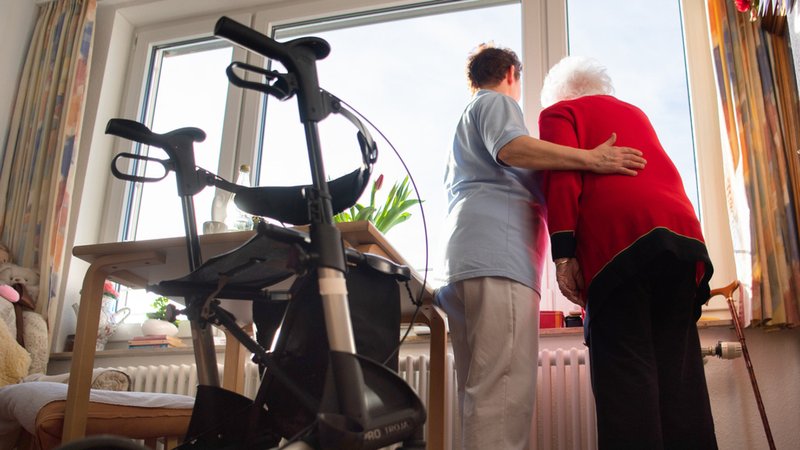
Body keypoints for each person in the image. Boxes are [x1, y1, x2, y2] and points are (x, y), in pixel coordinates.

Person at [435, 44, 646, 450]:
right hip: (497, 261)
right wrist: (590, 159)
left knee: (480, 395)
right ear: (511, 74)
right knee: (503, 396)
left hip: (464, 263)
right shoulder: (496, 102)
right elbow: (511, 148)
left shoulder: (465, 126)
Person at [538, 55, 717, 449]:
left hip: (620, 246)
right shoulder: (635, 113)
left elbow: (562, 179)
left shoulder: (559, 113)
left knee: (626, 383)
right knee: (680, 383)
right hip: (681, 244)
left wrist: (564, 254)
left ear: (557, 95)